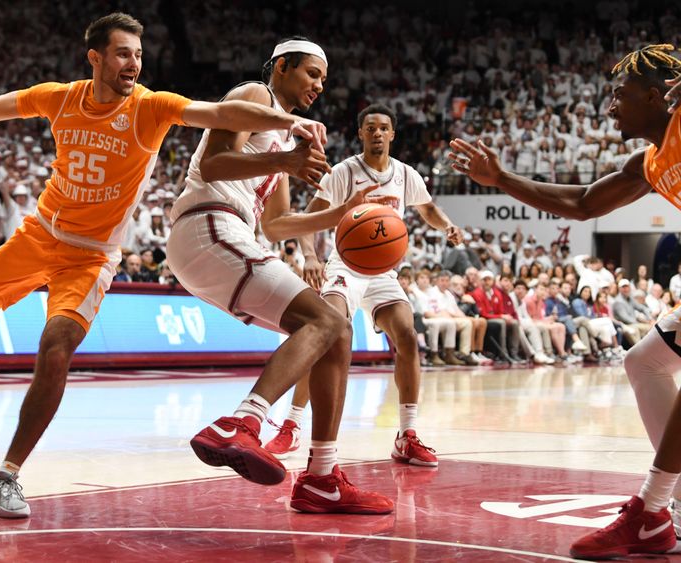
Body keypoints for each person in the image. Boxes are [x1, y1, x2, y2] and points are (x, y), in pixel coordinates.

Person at [0, 14, 331, 519]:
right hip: (40, 234)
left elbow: (219, 114)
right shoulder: (61, 96)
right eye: (122, 54)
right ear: (95, 58)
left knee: (56, 349)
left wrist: (289, 123)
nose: (133, 64)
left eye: (138, 55)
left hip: (93, 256)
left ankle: (6, 475)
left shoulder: (151, 107)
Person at [449, 43, 681, 559]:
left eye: (620, 95)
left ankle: (652, 510)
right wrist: (502, 179)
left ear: (656, 95)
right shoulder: (650, 161)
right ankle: (671, 504)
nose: (610, 106)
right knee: (645, 361)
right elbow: (581, 204)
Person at [169, 39, 392, 514]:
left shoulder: (288, 141)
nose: (318, 86)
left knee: (335, 329)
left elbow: (276, 225)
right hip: (207, 223)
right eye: (311, 74)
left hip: (229, 237)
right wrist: (282, 160)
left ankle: (322, 478)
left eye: (324, 81)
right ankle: (242, 423)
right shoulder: (253, 95)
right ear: (282, 67)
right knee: (328, 320)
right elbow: (211, 164)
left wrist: (340, 214)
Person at [263, 104, 463, 466]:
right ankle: (291, 426)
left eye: (383, 127)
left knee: (406, 335)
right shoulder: (345, 172)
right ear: (361, 134)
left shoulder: (405, 175)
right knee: (326, 339)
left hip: (383, 271)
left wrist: (446, 225)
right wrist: (309, 256)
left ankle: (407, 435)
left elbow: (428, 209)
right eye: (369, 127)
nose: (376, 133)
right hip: (344, 266)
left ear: (392, 134)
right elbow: (309, 216)